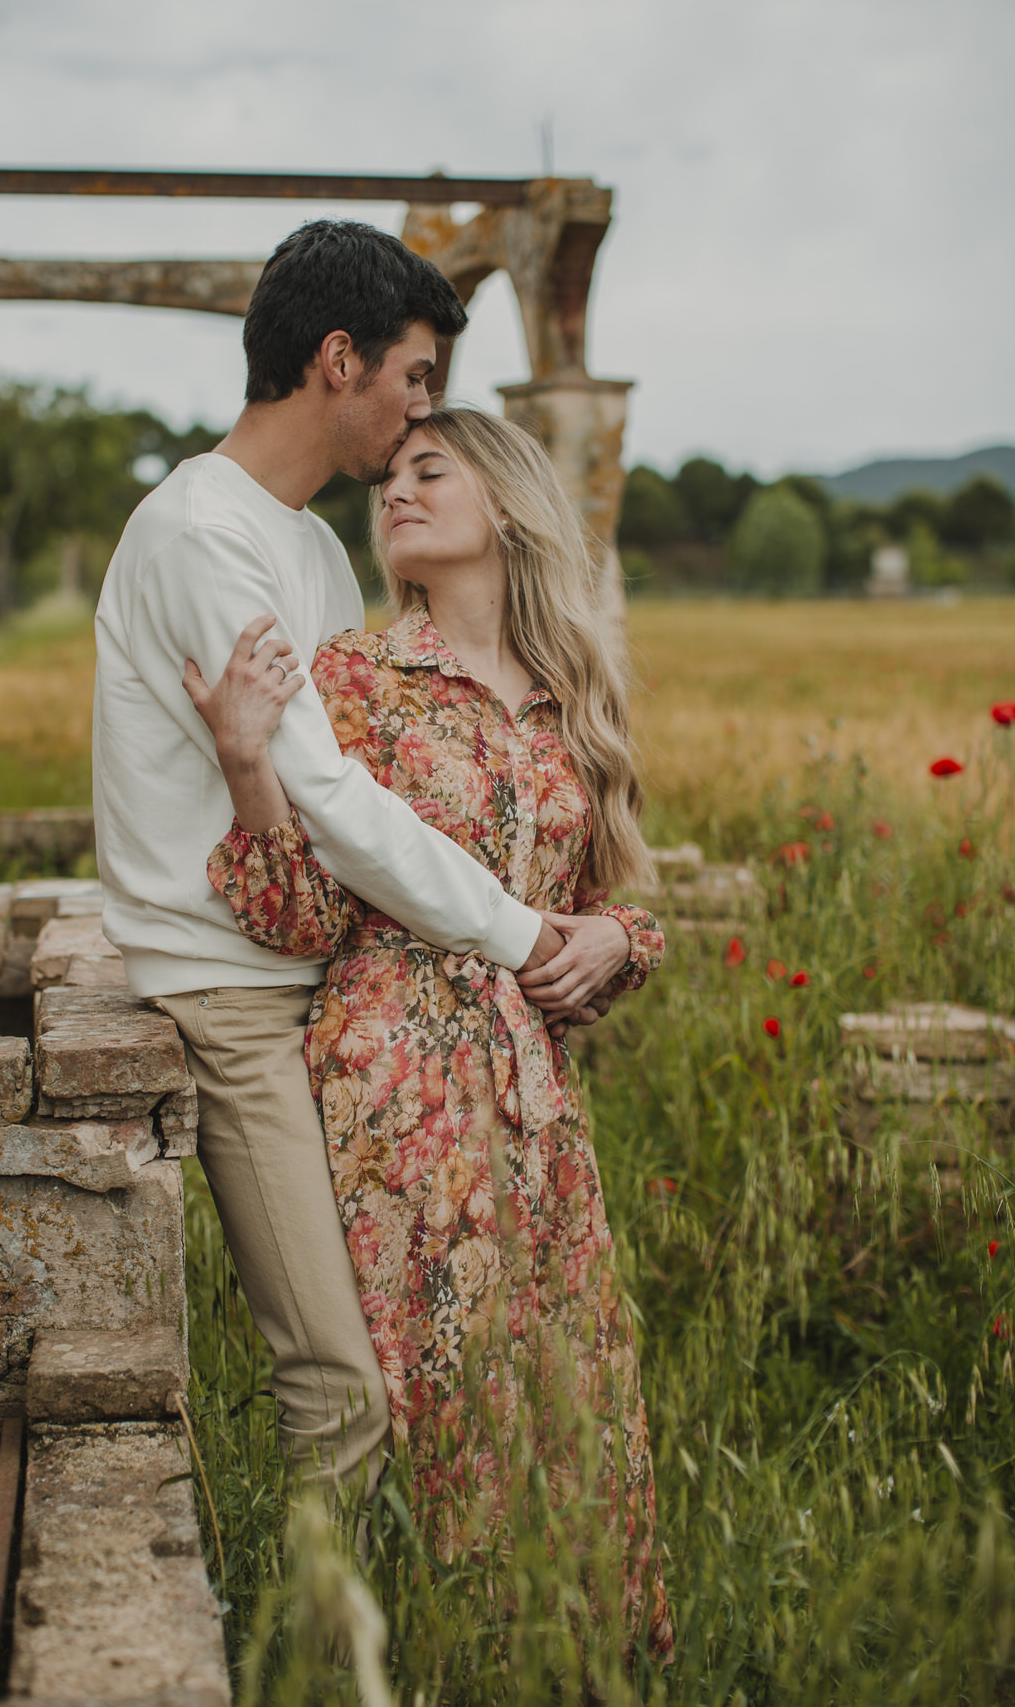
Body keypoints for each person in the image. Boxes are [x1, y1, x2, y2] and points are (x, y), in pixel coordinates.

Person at [92, 222, 637, 1502]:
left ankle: (425, 1601)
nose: (420, 411)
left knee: (439, 1362)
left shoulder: (312, 548)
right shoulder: (200, 532)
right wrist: (522, 935)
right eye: (416, 376)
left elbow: (367, 782)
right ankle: (311, 1625)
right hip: (231, 988)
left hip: (331, 984)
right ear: (340, 361)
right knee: (341, 1389)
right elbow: (329, 796)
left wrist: (602, 924)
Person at [184, 407, 672, 1657]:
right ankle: (402, 1657)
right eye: (388, 477)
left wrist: (622, 942)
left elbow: (609, 903)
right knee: (433, 1388)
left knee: (565, 1383)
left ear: (504, 503)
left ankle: (563, 1660)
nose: (394, 491)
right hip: (394, 1085)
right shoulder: (351, 680)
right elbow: (296, 916)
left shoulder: (574, 700)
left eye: (428, 471)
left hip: (536, 1111)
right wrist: (246, 764)